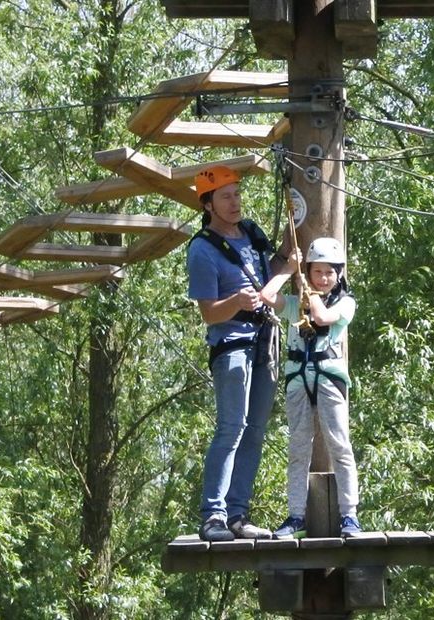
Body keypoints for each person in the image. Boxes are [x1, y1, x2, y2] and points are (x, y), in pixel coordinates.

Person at [187, 164, 292, 542]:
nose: (235, 202)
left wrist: (285, 250)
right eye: (226, 196)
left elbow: (273, 271)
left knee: (255, 430)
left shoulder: (251, 233)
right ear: (209, 203)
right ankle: (212, 516)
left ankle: (237, 514)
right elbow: (208, 314)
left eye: (237, 194)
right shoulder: (202, 250)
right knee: (231, 428)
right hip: (232, 346)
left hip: (263, 340)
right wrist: (235, 301)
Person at [259, 237, 362, 538]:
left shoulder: (346, 303)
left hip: (329, 379)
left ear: (339, 274)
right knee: (298, 448)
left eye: (330, 272)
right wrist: (289, 270)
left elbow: (322, 317)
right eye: (318, 272)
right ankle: (296, 516)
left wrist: (308, 288)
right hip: (298, 381)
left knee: (339, 445)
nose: (325, 278)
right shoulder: (294, 306)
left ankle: (349, 515)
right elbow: (266, 296)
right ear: (310, 272)